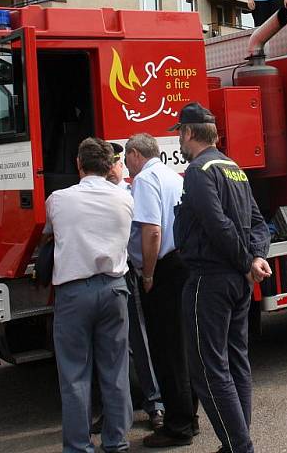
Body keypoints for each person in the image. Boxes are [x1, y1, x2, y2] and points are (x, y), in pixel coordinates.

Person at [171, 102, 273, 453]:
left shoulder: (199, 171)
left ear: (188, 133)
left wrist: (249, 260)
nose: (179, 143)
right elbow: (259, 223)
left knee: (208, 369)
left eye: (179, 134)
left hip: (209, 280)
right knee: (236, 363)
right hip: (237, 284)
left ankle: (239, 447)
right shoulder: (234, 168)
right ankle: (236, 443)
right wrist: (256, 257)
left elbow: (217, 224)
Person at [44, 137, 134, 453]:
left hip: (74, 292)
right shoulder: (125, 198)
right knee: (115, 371)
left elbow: (51, 234)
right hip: (114, 289)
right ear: (110, 166)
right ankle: (117, 442)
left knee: (74, 376)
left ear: (78, 164)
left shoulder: (57, 199)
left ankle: (79, 446)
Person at [115, 133, 200, 448]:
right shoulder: (171, 176)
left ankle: (177, 426)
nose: (126, 165)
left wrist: (147, 274)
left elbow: (151, 230)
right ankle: (188, 418)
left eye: (126, 158)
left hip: (163, 269)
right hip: (181, 263)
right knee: (181, 346)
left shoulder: (145, 180)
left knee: (166, 351)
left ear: (135, 154)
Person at [100, 142, 165, 434]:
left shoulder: (130, 192)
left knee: (140, 341)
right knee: (109, 348)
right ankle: (113, 413)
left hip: (126, 273)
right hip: (101, 276)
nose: (114, 166)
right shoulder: (92, 195)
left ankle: (156, 405)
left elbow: (149, 232)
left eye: (116, 161)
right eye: (109, 162)